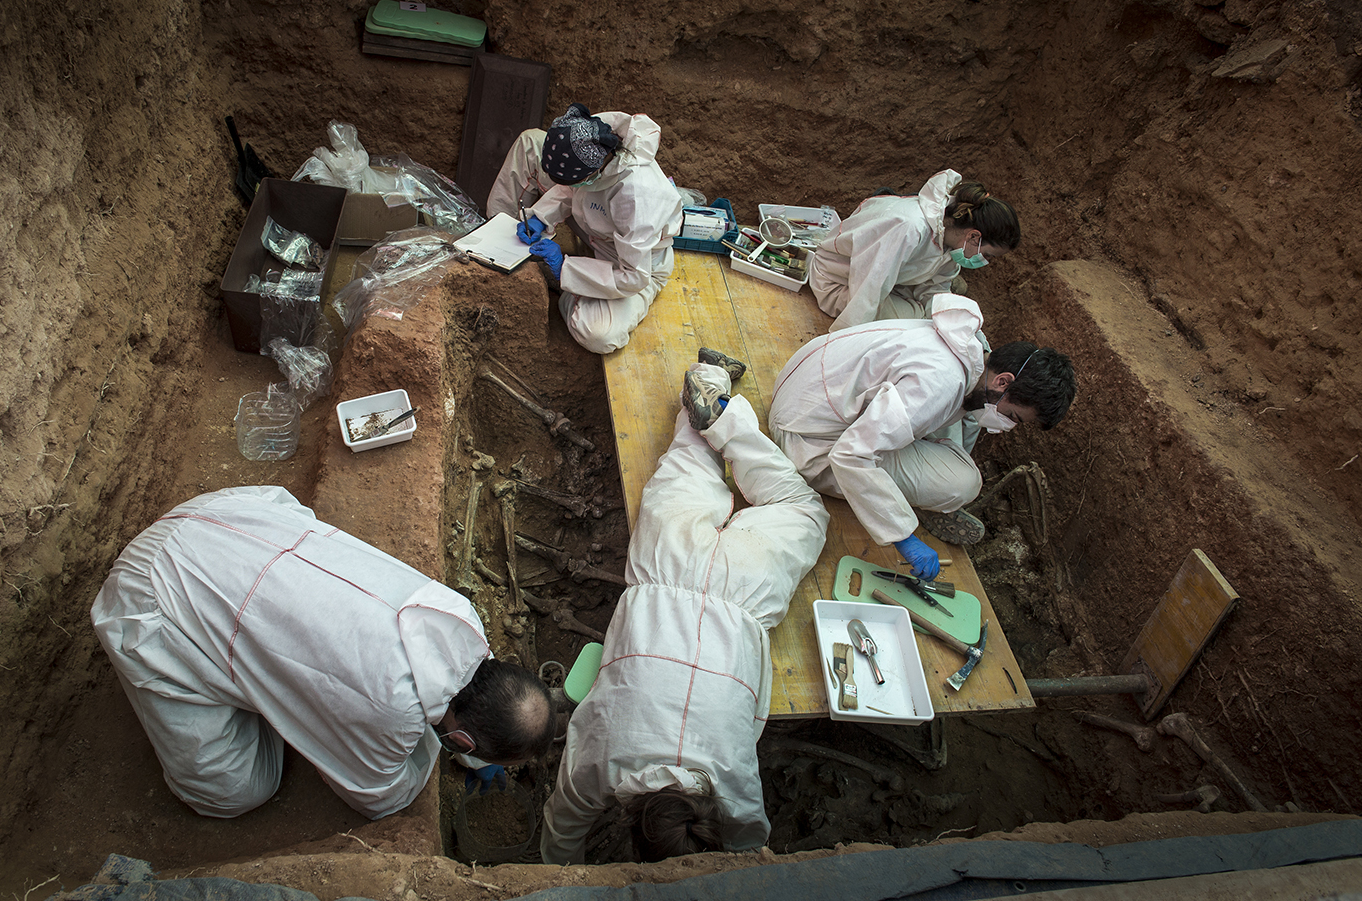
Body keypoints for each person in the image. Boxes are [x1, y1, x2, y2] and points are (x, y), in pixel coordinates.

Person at [90, 485, 554, 819]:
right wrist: (442, 749)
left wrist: (460, 744)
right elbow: (379, 795)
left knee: (288, 680)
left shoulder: (461, 617)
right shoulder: (392, 707)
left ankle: (258, 687)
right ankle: (248, 691)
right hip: (151, 597)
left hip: (225, 517)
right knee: (236, 791)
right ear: (463, 742)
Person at [540, 349, 830, 864]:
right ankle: (711, 396)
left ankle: (723, 413)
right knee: (689, 458)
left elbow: (749, 844)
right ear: (629, 820)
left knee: (802, 509)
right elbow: (562, 828)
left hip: (745, 585)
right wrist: (561, 872)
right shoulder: (600, 766)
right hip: (665, 563)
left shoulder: (734, 786)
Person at [768, 295, 1075, 576]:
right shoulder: (938, 384)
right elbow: (851, 454)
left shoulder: (970, 349)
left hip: (805, 393)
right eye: (1011, 416)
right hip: (804, 440)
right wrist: (903, 535)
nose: (1006, 425)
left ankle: (919, 496)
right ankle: (920, 504)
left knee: (959, 428)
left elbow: (957, 413)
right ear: (1004, 381)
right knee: (963, 483)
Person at [488, 104, 683, 355]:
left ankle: (564, 284)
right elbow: (572, 187)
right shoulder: (593, 135)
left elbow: (634, 276)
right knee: (529, 142)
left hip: (632, 262)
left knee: (599, 335)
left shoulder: (638, 198)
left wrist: (566, 269)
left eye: (576, 180)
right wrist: (540, 216)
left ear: (595, 172)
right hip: (592, 220)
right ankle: (493, 236)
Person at [809, 170, 1021, 332]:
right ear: (973, 236)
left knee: (937, 315)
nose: (985, 261)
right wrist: (842, 343)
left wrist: (953, 317)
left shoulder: (948, 238)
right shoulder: (909, 228)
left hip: (881, 284)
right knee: (918, 326)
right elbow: (867, 292)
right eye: (988, 255)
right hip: (836, 282)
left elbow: (935, 287)